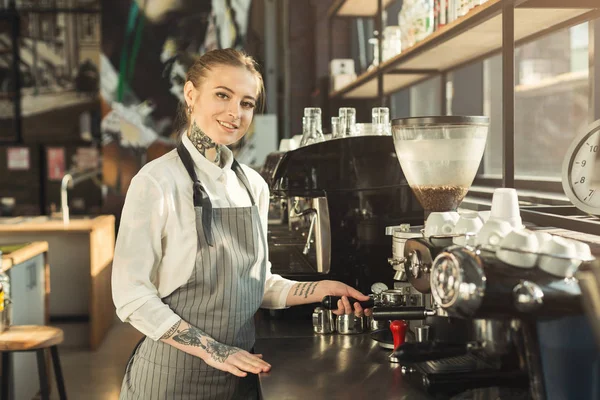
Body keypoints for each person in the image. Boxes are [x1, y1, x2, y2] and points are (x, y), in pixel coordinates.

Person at [112, 48, 372, 400]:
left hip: (241, 376)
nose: (235, 113)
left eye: (247, 103)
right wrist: (216, 351)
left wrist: (322, 288)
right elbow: (131, 296)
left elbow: (256, 284)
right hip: (172, 381)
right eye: (222, 95)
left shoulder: (253, 185)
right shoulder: (157, 182)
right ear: (191, 95)